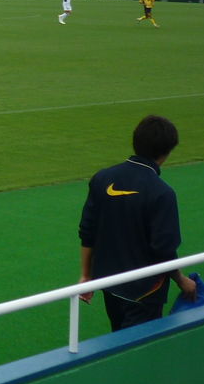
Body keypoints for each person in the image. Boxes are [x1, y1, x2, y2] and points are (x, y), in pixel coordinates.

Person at [77, 115, 197, 331]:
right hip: (146, 290)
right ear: (167, 151)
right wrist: (181, 280)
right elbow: (164, 250)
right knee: (139, 348)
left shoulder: (102, 178)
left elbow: (87, 230)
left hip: (108, 282)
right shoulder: (162, 193)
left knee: (118, 335)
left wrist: (87, 275)